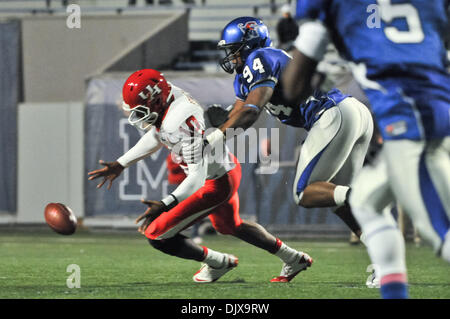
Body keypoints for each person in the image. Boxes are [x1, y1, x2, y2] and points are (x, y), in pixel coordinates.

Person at [283, 0, 450, 299]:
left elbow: (294, 87)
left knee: (441, 232)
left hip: (410, 117)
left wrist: (318, 75)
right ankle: (389, 282)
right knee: (367, 203)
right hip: (439, 106)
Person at [88, 69, 313, 283]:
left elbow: (196, 178)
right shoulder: (168, 98)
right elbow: (157, 135)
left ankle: (218, 262)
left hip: (213, 182)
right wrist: (121, 163)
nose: (137, 116)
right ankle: (294, 258)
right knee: (230, 226)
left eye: (140, 110)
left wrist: (165, 204)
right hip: (222, 169)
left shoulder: (178, 120)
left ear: (155, 101)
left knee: (156, 234)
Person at [189, 17, 373, 260]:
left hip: (332, 113)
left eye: (233, 51)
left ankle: (371, 195)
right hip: (353, 113)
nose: (231, 58)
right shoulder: (248, 72)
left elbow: (249, 112)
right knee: (338, 200)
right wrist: (219, 124)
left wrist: (211, 140)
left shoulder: (259, 57)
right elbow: (237, 113)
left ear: (248, 45)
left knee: (304, 193)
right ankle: (384, 260)